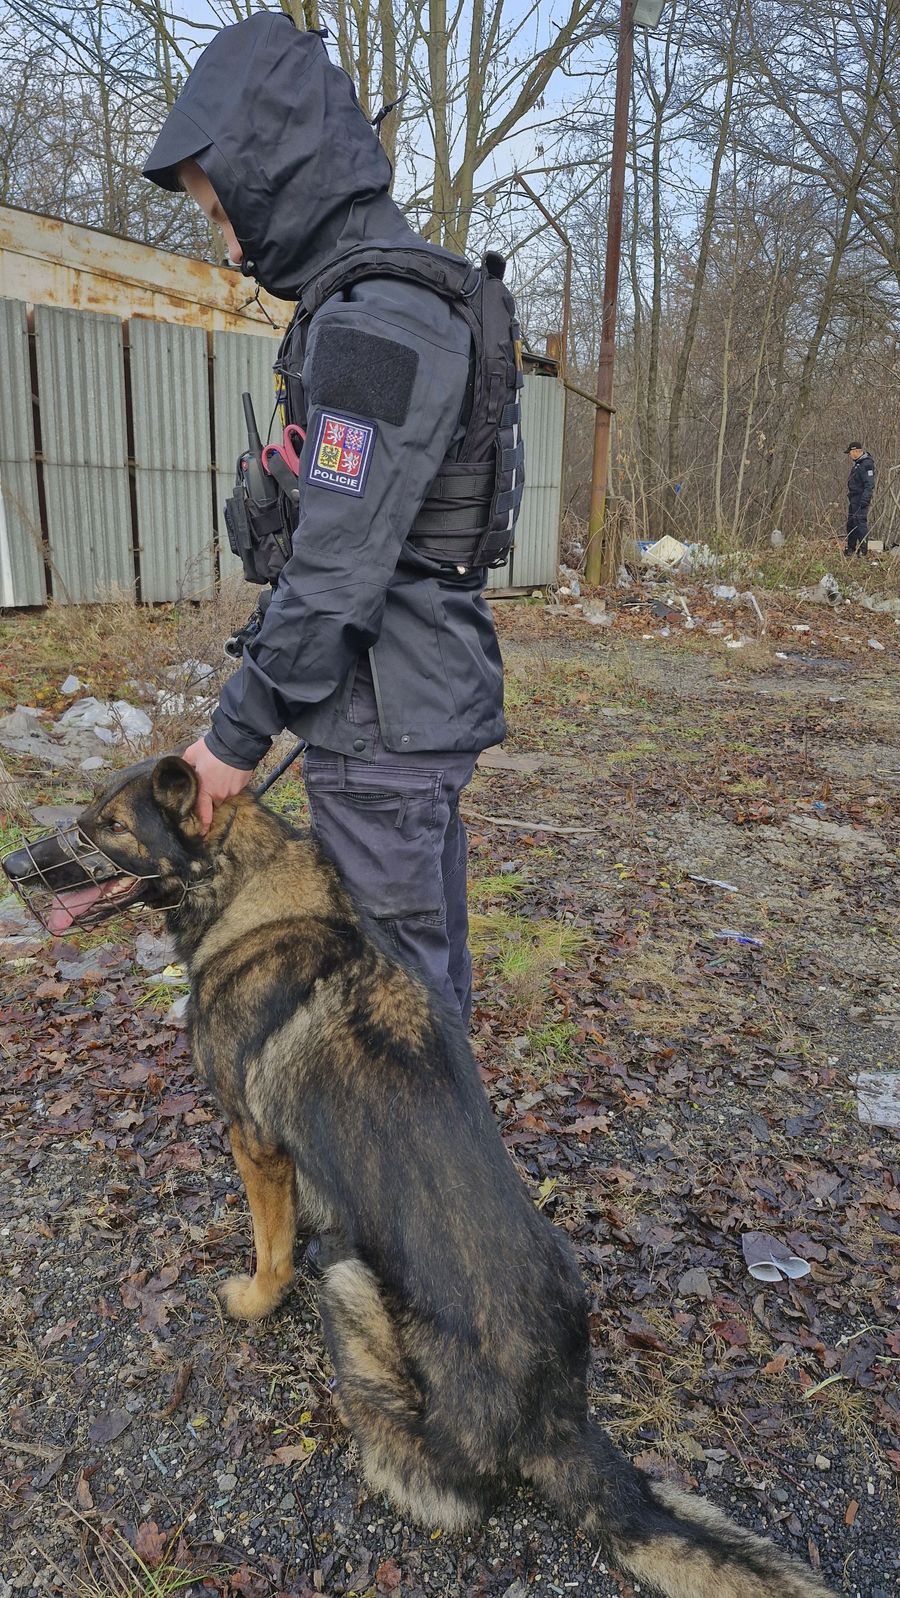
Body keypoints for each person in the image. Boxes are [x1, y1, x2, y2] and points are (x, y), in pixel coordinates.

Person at [142, 12, 520, 1027]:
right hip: (412, 700)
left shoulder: (372, 322)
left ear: (275, 173)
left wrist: (230, 740)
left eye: (224, 215)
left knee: (394, 1027)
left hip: (384, 724)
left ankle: (417, 1187)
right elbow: (370, 523)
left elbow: (337, 575)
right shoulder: (386, 303)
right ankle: (441, 1174)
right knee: (424, 997)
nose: (227, 246)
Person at [844, 441, 876, 556]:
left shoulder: (866, 464)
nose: (849, 455)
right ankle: (850, 549)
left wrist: (865, 499)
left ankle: (863, 551)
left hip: (860, 499)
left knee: (860, 523)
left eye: (850, 452)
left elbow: (869, 484)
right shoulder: (858, 463)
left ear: (856, 451)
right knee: (851, 524)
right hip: (853, 499)